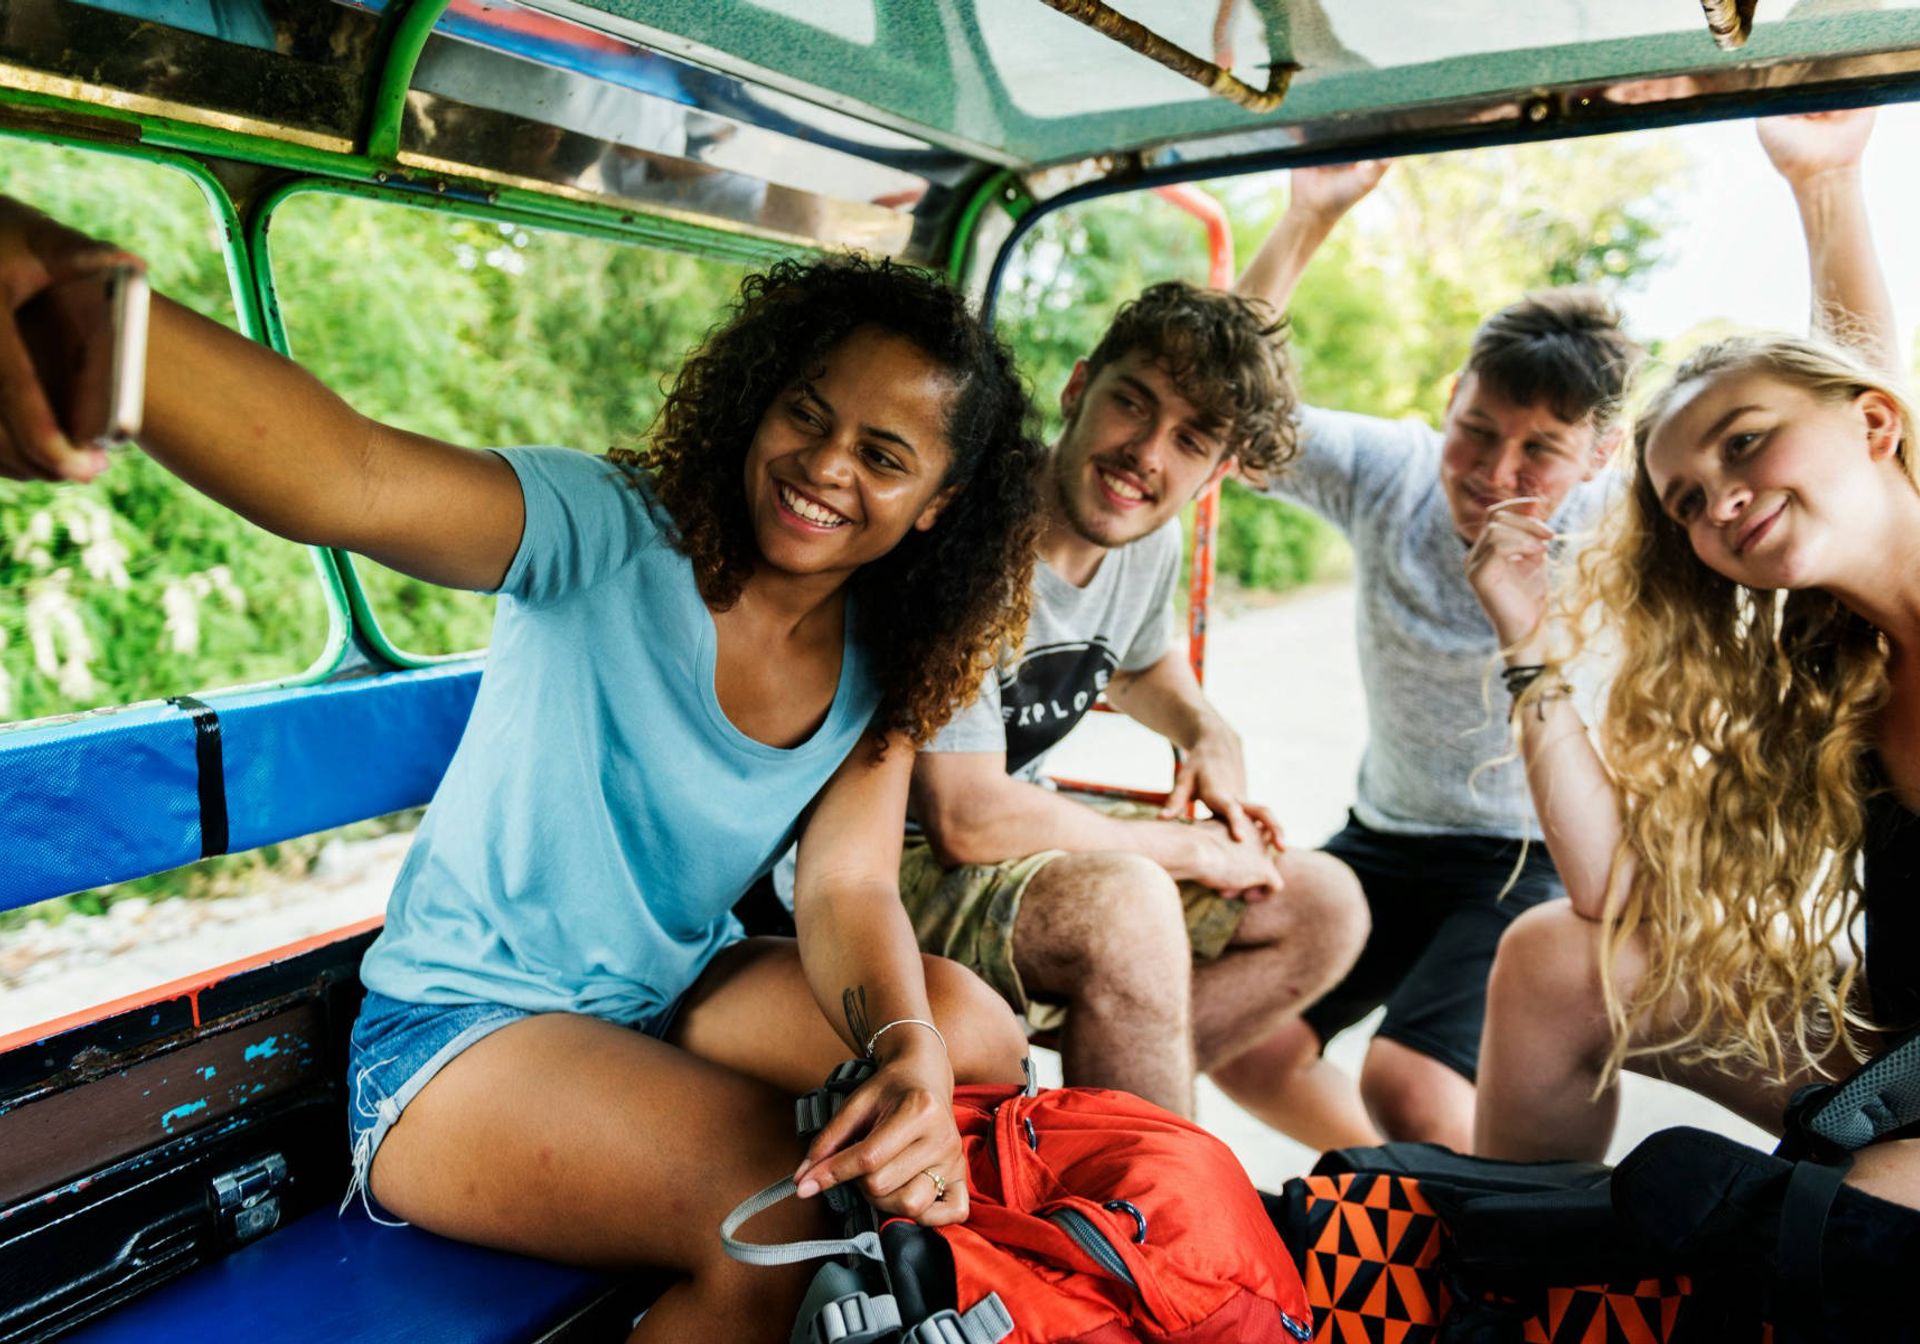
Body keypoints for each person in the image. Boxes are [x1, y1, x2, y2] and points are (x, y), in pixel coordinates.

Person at [0, 199, 1043, 1344]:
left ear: (938, 505)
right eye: (809, 413)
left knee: (972, 1044)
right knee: (771, 1214)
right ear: (764, 403)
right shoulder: (604, 528)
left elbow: (848, 893)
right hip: (459, 1034)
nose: (826, 465)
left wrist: (907, 1056)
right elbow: (349, 477)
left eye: (884, 456)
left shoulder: (884, 661)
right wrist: (112, 329)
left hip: (667, 996)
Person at [1466, 111, 1919, 1222]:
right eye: (1685, 501)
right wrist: (1528, 638)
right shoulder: (1836, 673)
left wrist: (1827, 184)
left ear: (1875, 423)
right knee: (1553, 960)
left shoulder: (1868, 426)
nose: (1718, 498)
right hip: (1901, 1062)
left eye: (1745, 442)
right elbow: (1609, 892)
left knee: (1813, 1236)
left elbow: (1858, 364)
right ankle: (1514, 1298)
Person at [1228, 163, 1640, 1150]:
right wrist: (1307, 216)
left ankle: (1487, 1261)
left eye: (1541, 450)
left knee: (1412, 1081)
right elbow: (1228, 412)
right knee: (1245, 1038)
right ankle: (1410, 1216)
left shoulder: (1624, 525)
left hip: (1532, 852)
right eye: (1478, 431)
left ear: (1601, 453)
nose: (1495, 476)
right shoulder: (1392, 473)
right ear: (1451, 399)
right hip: (1392, 833)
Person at [902, 280, 1370, 1121]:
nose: (1147, 453)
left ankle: (1094, 1123)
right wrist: (1186, 850)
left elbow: (1143, 668)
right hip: (881, 860)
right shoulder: (976, 534)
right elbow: (966, 819)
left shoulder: (1145, 540)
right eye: (1133, 404)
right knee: (1130, 902)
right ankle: (1146, 1206)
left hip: (1005, 842)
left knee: (1324, 905)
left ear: (1216, 472)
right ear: (1079, 388)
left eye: (1189, 440)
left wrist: (1206, 732)